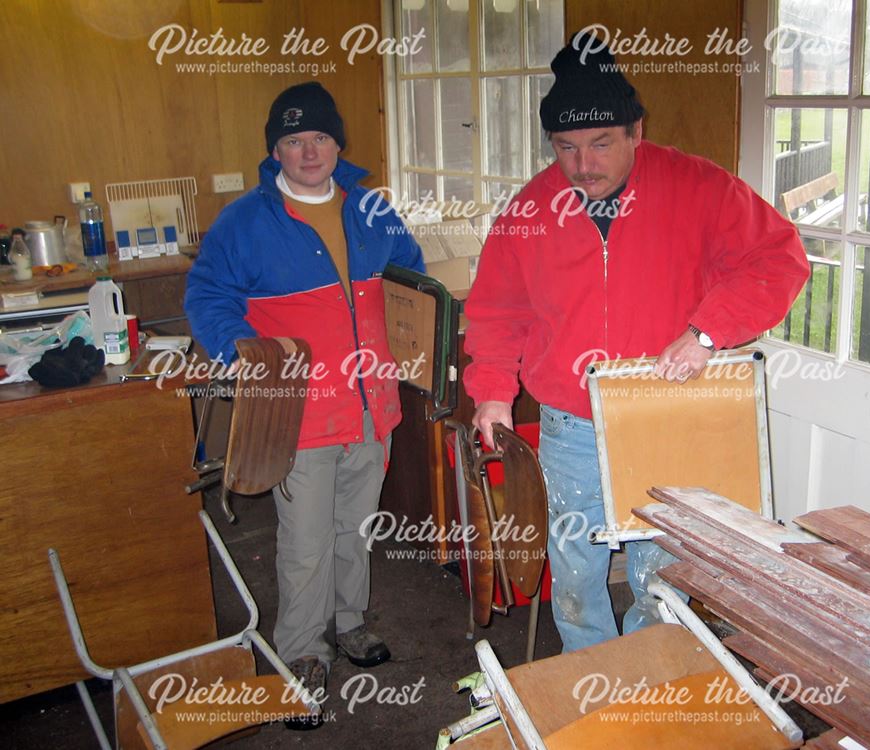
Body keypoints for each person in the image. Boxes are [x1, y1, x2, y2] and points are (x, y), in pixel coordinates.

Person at [463, 35, 809, 653]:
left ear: (635, 130)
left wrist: (706, 332)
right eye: (566, 148)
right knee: (573, 561)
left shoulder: (698, 188)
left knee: (660, 560)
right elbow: (497, 308)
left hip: (664, 408)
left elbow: (778, 259)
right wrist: (492, 391)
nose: (583, 164)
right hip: (570, 420)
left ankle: (650, 664)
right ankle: (588, 669)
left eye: (600, 144)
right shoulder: (530, 208)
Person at [185, 81, 424, 703]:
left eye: (319, 137)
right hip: (302, 414)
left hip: (372, 407)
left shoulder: (372, 209)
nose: (309, 151)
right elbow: (208, 297)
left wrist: (418, 343)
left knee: (356, 528)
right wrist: (247, 360)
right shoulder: (244, 223)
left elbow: (411, 278)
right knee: (304, 540)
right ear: (277, 152)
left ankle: (349, 624)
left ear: (337, 143)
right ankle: (301, 652)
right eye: (294, 140)